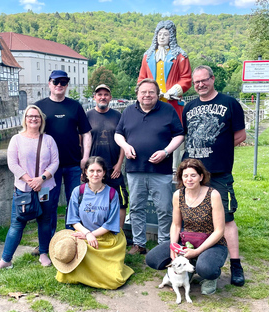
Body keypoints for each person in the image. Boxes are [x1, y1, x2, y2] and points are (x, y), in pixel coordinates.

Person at [182, 65, 246, 286]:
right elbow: (187, 135)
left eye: (204, 80)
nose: (200, 84)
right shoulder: (188, 107)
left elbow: (239, 136)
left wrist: (218, 150)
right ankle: (192, 258)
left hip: (218, 173)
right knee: (189, 217)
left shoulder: (230, 103)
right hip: (192, 174)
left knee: (227, 218)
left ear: (212, 79)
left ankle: (236, 265)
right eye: (196, 81)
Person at [115, 78, 184, 255]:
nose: (147, 95)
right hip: (134, 169)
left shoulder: (167, 110)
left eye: (151, 92)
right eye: (143, 92)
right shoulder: (129, 111)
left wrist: (166, 152)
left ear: (157, 94)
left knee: (164, 209)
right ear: (137, 94)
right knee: (137, 208)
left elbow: (179, 135)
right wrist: (125, 146)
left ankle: (164, 244)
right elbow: (118, 134)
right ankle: (139, 244)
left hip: (160, 171)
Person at [0, 105, 59, 271]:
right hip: (23, 188)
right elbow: (12, 163)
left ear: (41, 119)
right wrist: (30, 180)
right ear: (25, 119)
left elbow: (55, 162)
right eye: (30, 116)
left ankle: (43, 253)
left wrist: (41, 179)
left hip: (45, 188)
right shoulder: (16, 139)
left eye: (36, 116)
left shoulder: (48, 140)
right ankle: (6, 259)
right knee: (17, 223)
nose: (33, 119)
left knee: (44, 221)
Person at [146, 159, 227, 295]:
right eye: (185, 176)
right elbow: (176, 224)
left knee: (206, 268)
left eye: (193, 175)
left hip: (213, 243)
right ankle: (188, 267)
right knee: (153, 259)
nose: (189, 179)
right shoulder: (178, 195)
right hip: (187, 242)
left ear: (201, 177)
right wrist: (173, 246)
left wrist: (197, 251)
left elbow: (219, 230)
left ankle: (209, 276)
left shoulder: (213, 195)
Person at [50, 156, 134, 289]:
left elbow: (111, 223)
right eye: (92, 170)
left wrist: (93, 235)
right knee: (66, 268)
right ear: (86, 173)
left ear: (104, 173)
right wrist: (87, 234)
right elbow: (73, 220)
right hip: (83, 235)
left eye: (99, 171)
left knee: (114, 281)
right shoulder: (78, 191)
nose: (95, 174)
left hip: (107, 238)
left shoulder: (112, 193)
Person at [34, 70, 92, 238]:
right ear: (49, 84)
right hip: (48, 169)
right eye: (56, 82)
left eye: (63, 82)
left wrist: (85, 158)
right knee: (48, 204)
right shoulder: (39, 107)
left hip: (73, 165)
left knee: (74, 204)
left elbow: (86, 133)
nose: (59, 85)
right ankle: (47, 242)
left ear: (67, 85)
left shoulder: (75, 106)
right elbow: (30, 133)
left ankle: (71, 240)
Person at [86, 84, 129, 229]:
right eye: (99, 94)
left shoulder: (117, 116)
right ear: (94, 97)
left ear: (110, 98)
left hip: (113, 167)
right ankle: (95, 231)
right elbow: (82, 141)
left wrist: (119, 164)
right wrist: (84, 166)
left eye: (105, 94)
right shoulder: (88, 116)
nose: (102, 97)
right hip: (94, 169)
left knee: (121, 200)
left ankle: (119, 232)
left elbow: (124, 140)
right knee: (94, 201)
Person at [138, 20, 192, 122]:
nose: (162, 37)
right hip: (151, 103)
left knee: (174, 129)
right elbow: (141, 79)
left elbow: (186, 78)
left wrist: (174, 91)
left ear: (171, 36)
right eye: (160, 34)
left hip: (172, 103)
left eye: (165, 34)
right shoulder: (147, 57)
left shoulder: (180, 56)